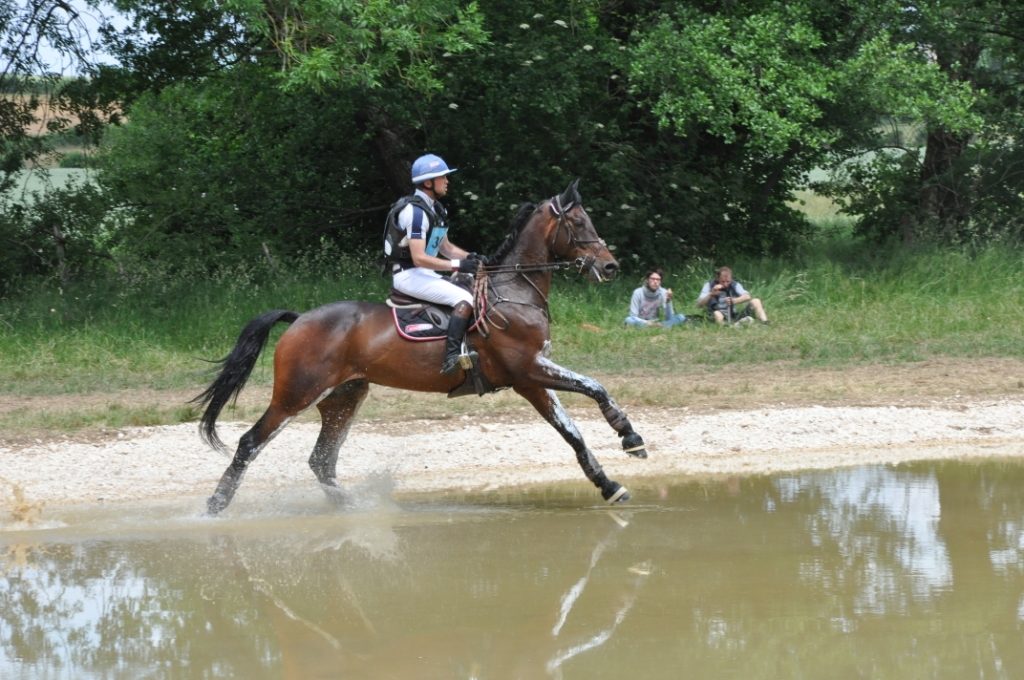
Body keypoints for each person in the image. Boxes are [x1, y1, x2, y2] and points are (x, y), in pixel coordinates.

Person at [383, 153, 483, 374]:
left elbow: (445, 248)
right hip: (408, 275)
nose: (447, 181)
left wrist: (471, 258)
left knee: (468, 284)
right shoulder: (415, 212)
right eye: (442, 177)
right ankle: (451, 357)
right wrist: (457, 266)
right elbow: (419, 257)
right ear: (428, 183)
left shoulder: (436, 209)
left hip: (422, 273)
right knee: (464, 298)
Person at [696, 265, 769, 325]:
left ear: (731, 279)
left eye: (728, 281)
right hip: (716, 314)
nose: (725, 284)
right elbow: (699, 305)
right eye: (722, 281)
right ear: (718, 278)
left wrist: (735, 301)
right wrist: (711, 294)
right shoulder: (709, 285)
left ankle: (765, 322)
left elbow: (747, 296)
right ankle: (730, 327)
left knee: (756, 301)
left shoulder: (734, 285)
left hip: (733, 315)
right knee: (717, 314)